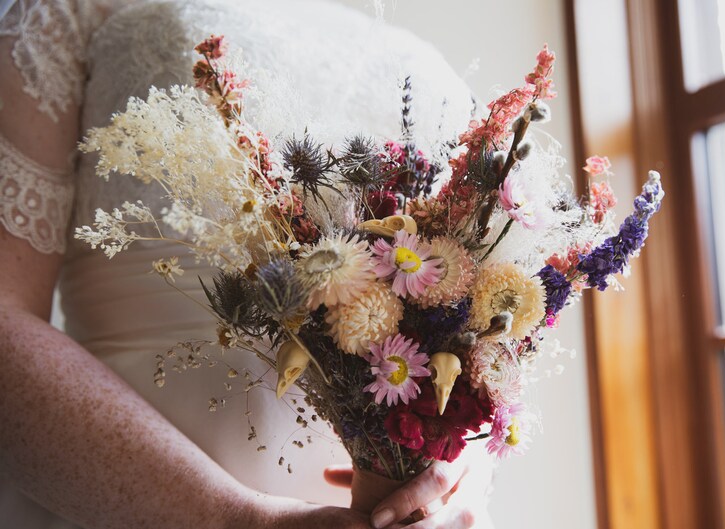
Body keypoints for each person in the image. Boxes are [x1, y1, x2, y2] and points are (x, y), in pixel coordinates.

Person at [0, 0, 496, 527]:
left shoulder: (419, 59)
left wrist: (454, 469)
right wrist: (237, 518)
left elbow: (463, 338)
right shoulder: (64, 11)